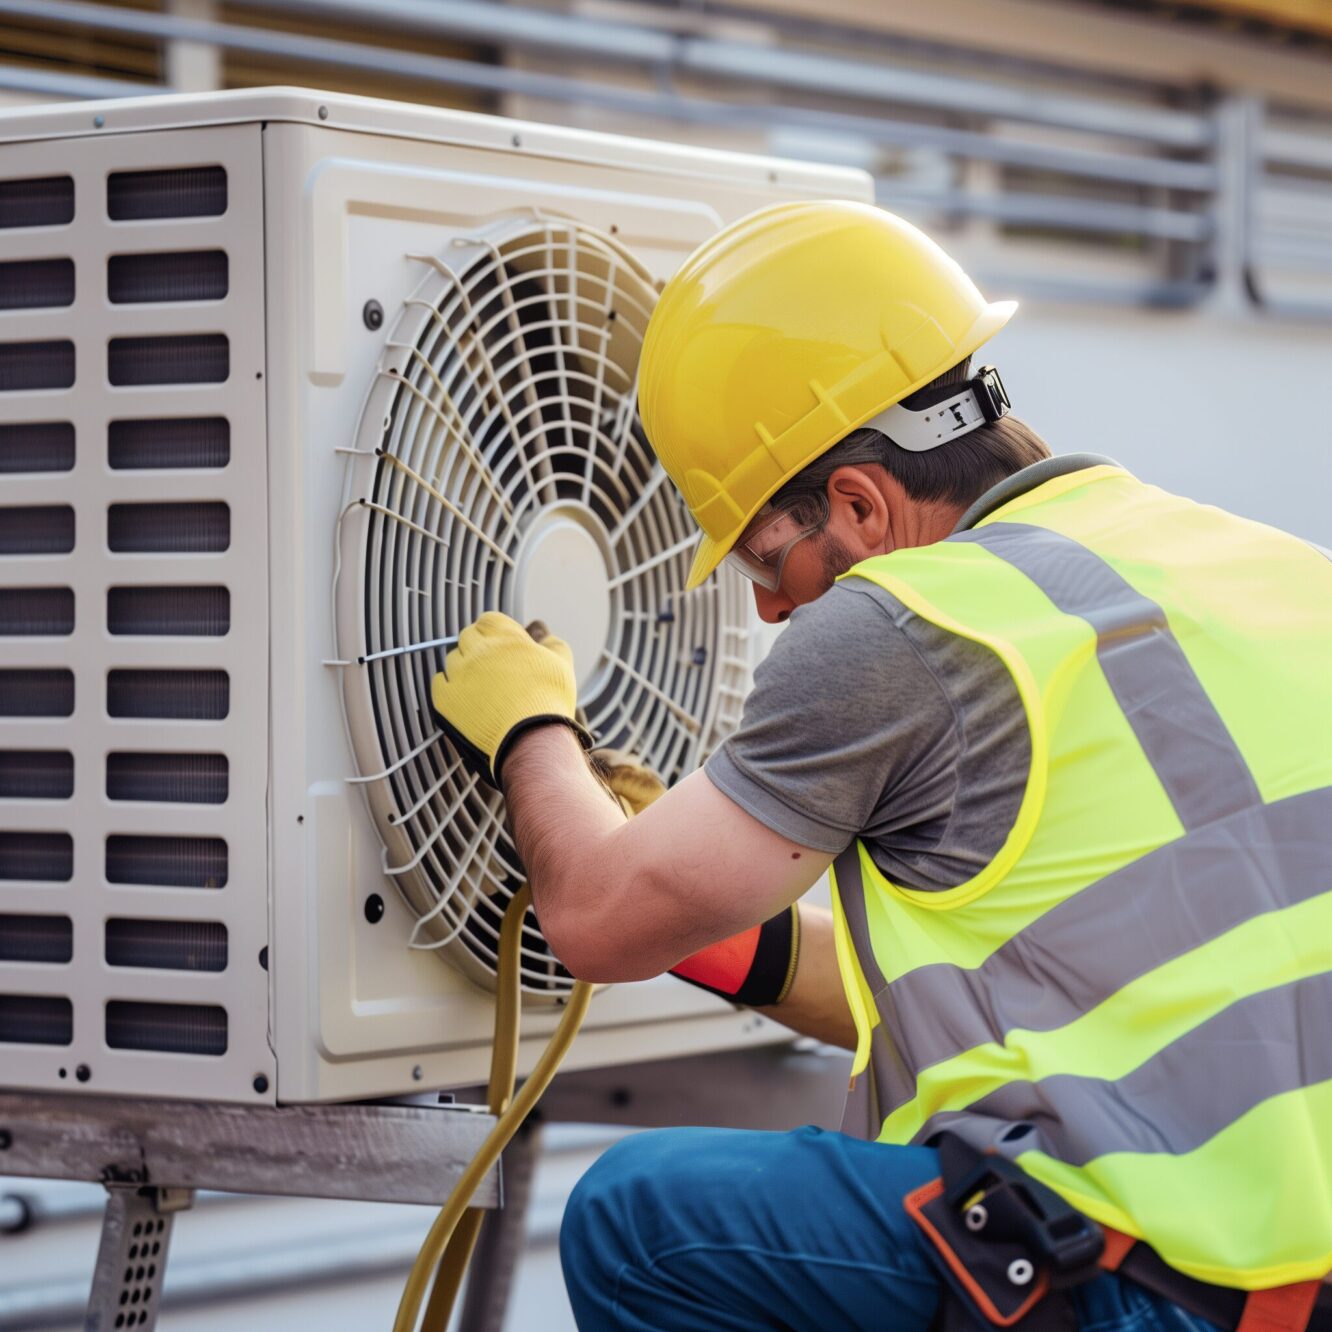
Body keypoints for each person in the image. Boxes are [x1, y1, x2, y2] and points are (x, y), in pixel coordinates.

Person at [429, 201, 1332, 1331]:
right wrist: (707, 915)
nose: (770, 608)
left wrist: (531, 731)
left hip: (1161, 1294)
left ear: (859, 504)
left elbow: (597, 922)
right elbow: (1070, 982)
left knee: (641, 1223)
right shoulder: (1272, 567)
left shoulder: (905, 622)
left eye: (769, 561)